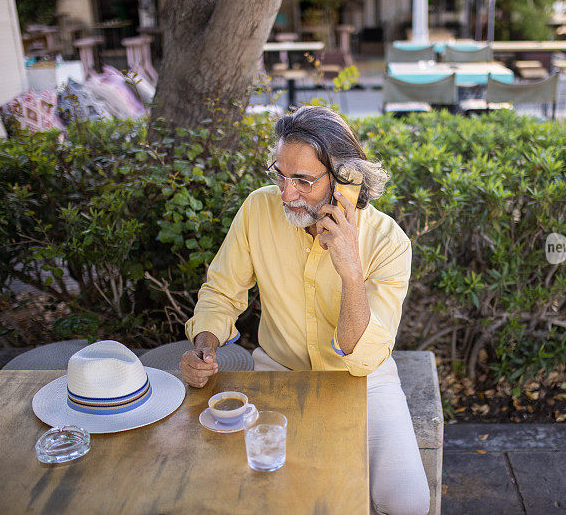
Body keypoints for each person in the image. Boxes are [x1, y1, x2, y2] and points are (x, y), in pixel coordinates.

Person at [181, 105, 430, 515]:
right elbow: (221, 292)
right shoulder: (258, 210)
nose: (286, 193)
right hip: (280, 374)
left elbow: (362, 354)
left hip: (364, 381)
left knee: (409, 504)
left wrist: (350, 270)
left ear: (345, 180)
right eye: (280, 174)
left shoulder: (389, 242)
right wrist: (204, 346)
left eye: (303, 180)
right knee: (279, 496)